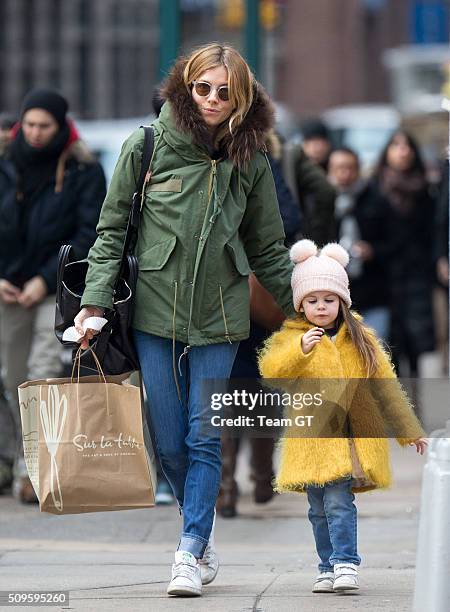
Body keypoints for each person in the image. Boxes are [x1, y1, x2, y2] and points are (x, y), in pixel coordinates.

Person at [73, 43, 295, 597]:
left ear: (242, 96)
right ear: (186, 87)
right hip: (152, 312)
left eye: (226, 91)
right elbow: (111, 231)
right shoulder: (145, 145)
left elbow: (268, 248)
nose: (214, 100)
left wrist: (306, 311)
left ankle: (190, 549)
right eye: (204, 89)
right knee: (168, 440)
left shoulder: (252, 159)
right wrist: (95, 303)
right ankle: (199, 531)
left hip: (222, 315)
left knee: (204, 437)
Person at [258, 239, 427, 593]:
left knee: (338, 501)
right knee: (317, 509)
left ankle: (346, 563)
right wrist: (299, 353)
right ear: (301, 304)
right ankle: (326, 565)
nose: (322, 307)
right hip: (310, 443)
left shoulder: (360, 340)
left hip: (347, 440)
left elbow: (387, 388)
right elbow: (272, 374)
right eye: (313, 300)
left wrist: (409, 431)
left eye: (329, 299)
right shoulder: (291, 339)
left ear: (342, 301)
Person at [0, 88, 106, 502]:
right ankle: (13, 457)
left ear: (61, 126)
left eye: (44, 125)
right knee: (11, 378)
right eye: (29, 124)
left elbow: (88, 233)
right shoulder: (6, 162)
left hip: (55, 288)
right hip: (8, 286)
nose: (36, 133)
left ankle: (34, 470)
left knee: (42, 374)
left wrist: (45, 280)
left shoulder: (83, 170)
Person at [372, 130, 436, 375]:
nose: (402, 150)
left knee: (415, 344)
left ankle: (415, 405)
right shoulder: (376, 187)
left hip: (416, 274)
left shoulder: (426, 189)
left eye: (407, 145)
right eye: (396, 145)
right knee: (389, 344)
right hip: (383, 275)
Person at [328, 147, 393, 339]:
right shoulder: (322, 202)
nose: (344, 174)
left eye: (350, 168)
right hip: (334, 297)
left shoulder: (376, 200)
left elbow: (395, 244)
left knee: (375, 356)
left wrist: (372, 251)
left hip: (373, 294)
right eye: (339, 168)